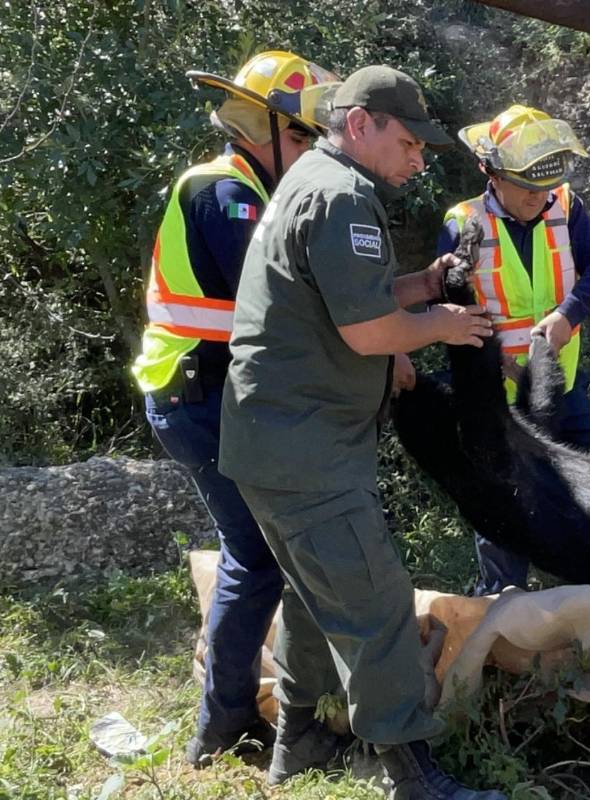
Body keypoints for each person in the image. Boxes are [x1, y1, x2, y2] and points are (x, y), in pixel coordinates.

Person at [218, 65, 505, 799]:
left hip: (277, 442)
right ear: (360, 124)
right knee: (376, 600)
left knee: (318, 599)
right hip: (305, 446)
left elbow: (355, 296)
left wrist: (430, 283)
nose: (417, 159)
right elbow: (371, 328)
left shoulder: (314, 179)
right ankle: (412, 771)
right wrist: (446, 324)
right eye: (408, 142)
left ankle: (301, 738)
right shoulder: (343, 198)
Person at [130, 50, 339, 768]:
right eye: (306, 136)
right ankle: (220, 728)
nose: (313, 151)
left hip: (204, 396)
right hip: (198, 397)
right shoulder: (226, 194)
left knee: (256, 556)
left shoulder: (247, 187)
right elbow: (283, 294)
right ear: (269, 127)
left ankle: (226, 721)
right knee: (255, 559)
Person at [440, 104, 590, 594]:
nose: (538, 197)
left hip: (563, 385)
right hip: (496, 397)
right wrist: (493, 361)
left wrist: (569, 314)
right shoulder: (465, 225)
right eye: (526, 186)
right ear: (492, 174)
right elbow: (450, 311)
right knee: (504, 506)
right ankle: (503, 606)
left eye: (545, 186)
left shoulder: (565, 206)